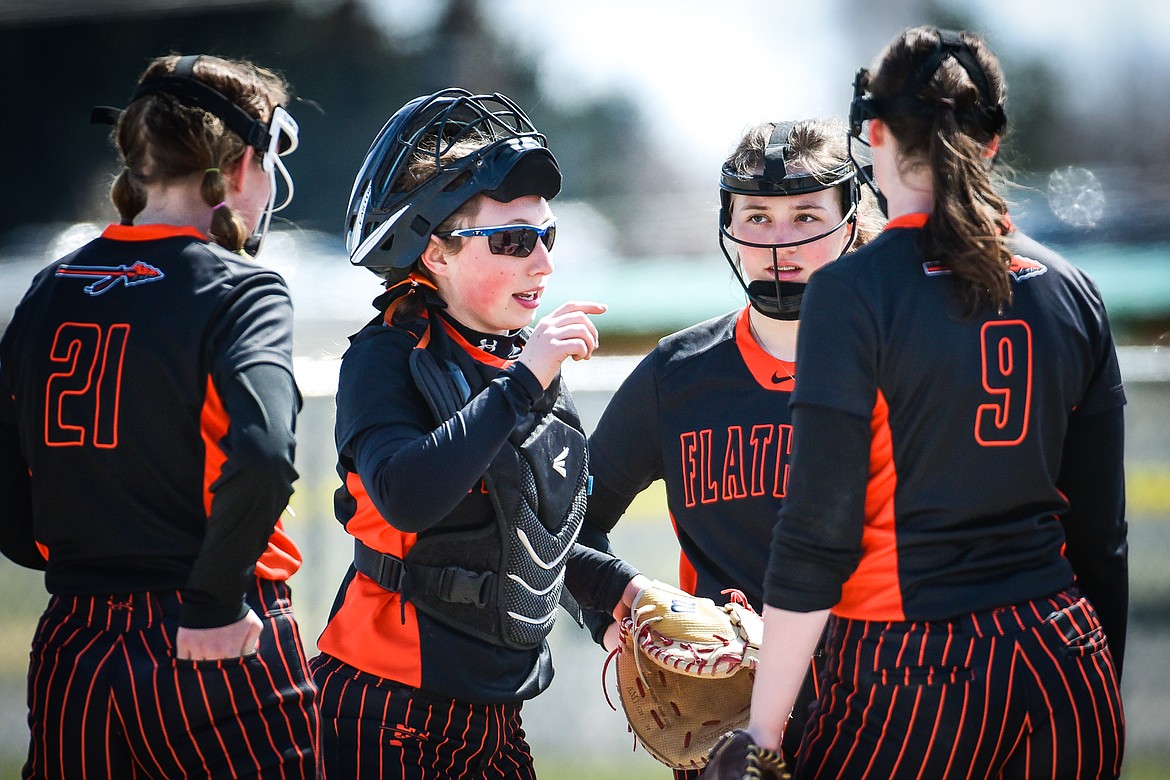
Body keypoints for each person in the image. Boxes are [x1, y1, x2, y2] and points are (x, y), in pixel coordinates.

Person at [739, 26, 1127, 779]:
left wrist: (762, 731)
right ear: (990, 140)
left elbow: (817, 535)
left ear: (874, 133)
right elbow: (1102, 536)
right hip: (1065, 659)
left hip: (913, 675)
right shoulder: (1074, 289)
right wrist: (1096, 681)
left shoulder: (852, 291)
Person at [311, 88, 647, 779]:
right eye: (515, 240)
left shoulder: (519, 361)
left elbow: (538, 536)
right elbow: (409, 494)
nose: (543, 263)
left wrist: (627, 601)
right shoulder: (385, 356)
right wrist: (526, 380)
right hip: (385, 713)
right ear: (435, 252)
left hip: (493, 720)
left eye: (546, 236)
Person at [0, 54, 318, 778]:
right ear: (242, 167)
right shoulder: (244, 290)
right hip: (215, 641)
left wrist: (73, 565)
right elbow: (264, 455)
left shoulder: (49, 286)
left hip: (73, 644)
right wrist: (212, 602)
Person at [585, 117, 883, 777]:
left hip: (887, 716)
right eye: (757, 217)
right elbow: (564, 523)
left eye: (806, 216)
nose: (780, 242)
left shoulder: (900, 361)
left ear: (849, 216)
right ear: (729, 226)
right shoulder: (678, 376)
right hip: (728, 728)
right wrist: (617, 615)